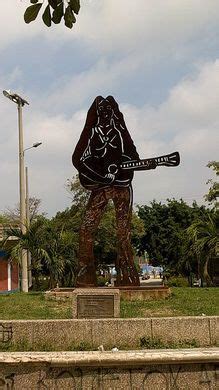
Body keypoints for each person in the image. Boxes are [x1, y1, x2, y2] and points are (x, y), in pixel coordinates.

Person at [72, 95, 140, 287]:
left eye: (108, 110)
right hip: (100, 187)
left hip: (121, 186)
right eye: (101, 111)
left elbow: (134, 155)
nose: (104, 113)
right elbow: (79, 158)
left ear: (113, 113)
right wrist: (99, 174)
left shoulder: (120, 130)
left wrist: (122, 164)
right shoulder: (92, 132)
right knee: (86, 228)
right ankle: (86, 273)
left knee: (123, 230)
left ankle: (127, 271)